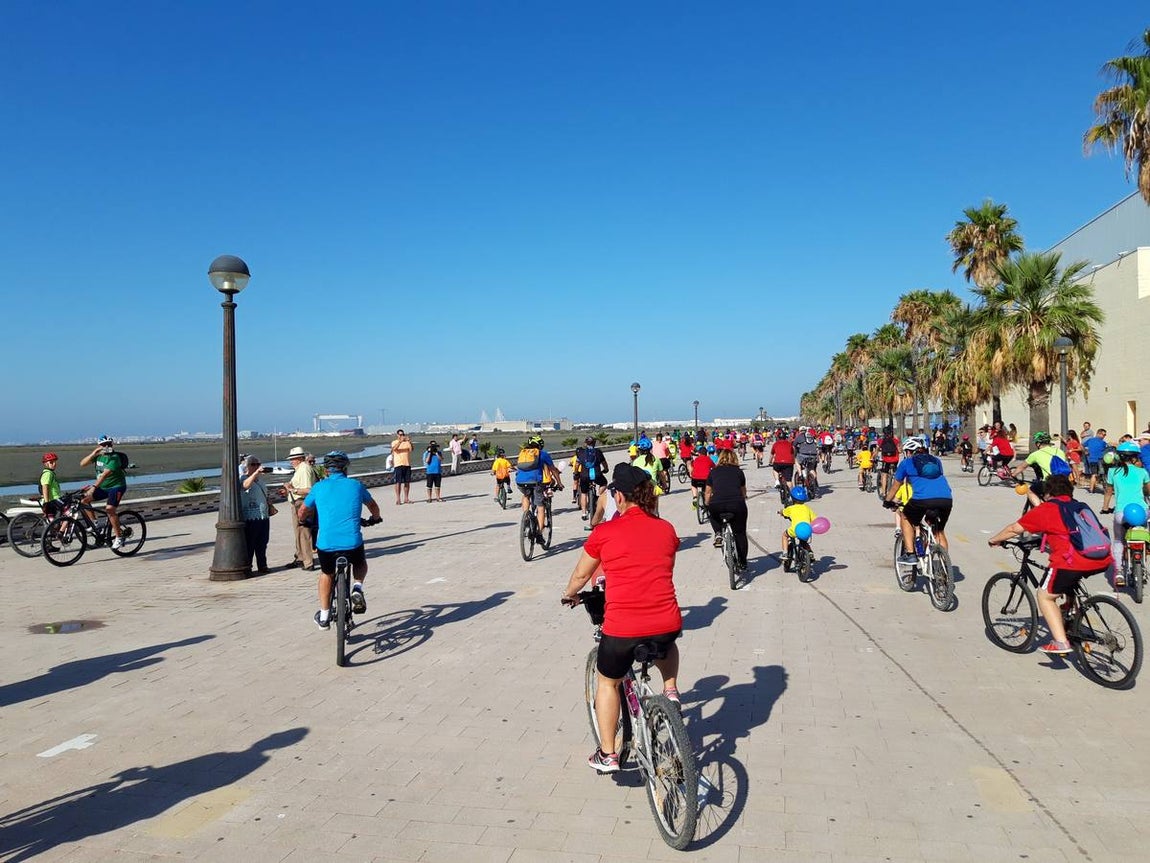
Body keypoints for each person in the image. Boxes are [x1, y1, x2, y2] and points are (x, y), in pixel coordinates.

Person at [561, 463, 682, 773]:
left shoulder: (606, 531)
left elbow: (581, 574)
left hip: (623, 627)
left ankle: (608, 754)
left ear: (620, 496)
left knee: (607, 682)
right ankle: (670, 689)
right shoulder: (666, 528)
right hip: (666, 621)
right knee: (665, 641)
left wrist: (570, 594)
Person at [988, 474, 1113, 654]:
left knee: (1045, 596)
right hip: (1101, 558)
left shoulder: (1048, 509)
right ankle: (1069, 611)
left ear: (1047, 493)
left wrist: (995, 540)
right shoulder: (1080, 505)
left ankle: (1061, 642)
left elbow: (1014, 529)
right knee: (1068, 581)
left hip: (1070, 562)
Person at [299, 451, 382, 630]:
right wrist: (375, 518)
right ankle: (357, 588)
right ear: (345, 468)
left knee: (326, 573)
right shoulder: (356, 485)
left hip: (326, 543)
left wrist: (303, 521)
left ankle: (324, 615)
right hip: (352, 542)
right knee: (360, 562)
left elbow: (303, 510)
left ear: (326, 470)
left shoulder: (319, 487)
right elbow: (373, 506)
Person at [884, 439, 953, 565]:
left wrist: (887, 501)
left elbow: (896, 486)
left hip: (922, 500)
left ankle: (910, 554)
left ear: (909, 451)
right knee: (938, 530)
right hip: (946, 499)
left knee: (905, 516)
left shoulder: (906, 463)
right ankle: (945, 566)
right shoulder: (936, 460)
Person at [1106, 441, 1150, 587]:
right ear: (1135, 457)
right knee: (1143, 532)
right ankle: (1144, 555)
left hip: (1121, 513)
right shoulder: (1142, 472)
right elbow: (1148, 490)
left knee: (1119, 540)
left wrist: (1105, 507)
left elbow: (1108, 492)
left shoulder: (1112, 472)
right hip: (1141, 511)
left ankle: (1118, 571)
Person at [79, 436, 128, 549]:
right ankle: (94, 523)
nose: (107, 447)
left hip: (117, 487)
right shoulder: (98, 456)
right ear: (100, 446)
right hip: (103, 487)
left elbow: (105, 474)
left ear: (112, 444)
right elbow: (82, 464)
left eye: (109, 444)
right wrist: (94, 453)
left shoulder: (114, 457)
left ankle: (119, 537)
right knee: (84, 501)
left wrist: (94, 487)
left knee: (110, 509)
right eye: (103, 445)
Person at [705, 449, 748, 570]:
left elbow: (708, 492)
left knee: (713, 515)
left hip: (717, 504)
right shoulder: (739, 472)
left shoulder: (713, 472)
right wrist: (743, 499)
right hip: (736, 504)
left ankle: (718, 532)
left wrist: (707, 505)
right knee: (740, 533)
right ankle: (743, 562)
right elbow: (743, 490)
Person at [516, 435, 563, 538]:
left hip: (519, 481)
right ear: (540, 445)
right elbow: (553, 470)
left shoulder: (523, 453)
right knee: (540, 507)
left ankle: (526, 516)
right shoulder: (542, 454)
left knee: (526, 495)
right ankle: (539, 534)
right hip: (536, 482)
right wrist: (559, 483)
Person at [283, 446, 318, 570]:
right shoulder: (301, 469)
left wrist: (293, 489)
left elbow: (309, 490)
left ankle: (308, 562)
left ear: (299, 459)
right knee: (299, 532)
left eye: (292, 459)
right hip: (298, 502)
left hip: (302, 503)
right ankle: (300, 557)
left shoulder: (304, 470)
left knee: (304, 532)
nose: (291, 462)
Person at [240, 455, 272, 573]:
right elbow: (245, 486)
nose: (256, 467)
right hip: (250, 516)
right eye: (253, 464)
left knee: (262, 542)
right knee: (250, 543)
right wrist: (254, 474)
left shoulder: (260, 481)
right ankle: (248, 566)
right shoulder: (243, 478)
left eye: (258, 464)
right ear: (247, 467)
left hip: (263, 515)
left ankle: (262, 565)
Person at [779, 485, 816, 565]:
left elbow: (784, 512)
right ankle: (809, 552)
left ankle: (785, 553)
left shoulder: (791, 508)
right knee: (804, 542)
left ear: (792, 498)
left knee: (784, 535)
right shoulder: (807, 508)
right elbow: (814, 519)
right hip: (807, 529)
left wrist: (780, 512)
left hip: (796, 529)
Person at [578, 437, 609, 521]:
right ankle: (599, 497)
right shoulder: (598, 452)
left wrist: (577, 473)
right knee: (604, 483)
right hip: (597, 474)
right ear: (594, 443)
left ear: (585, 443)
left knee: (584, 493)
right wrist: (606, 469)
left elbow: (577, 464)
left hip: (584, 475)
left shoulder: (580, 452)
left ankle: (584, 513)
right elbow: (604, 463)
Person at [38, 453, 66, 518]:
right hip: (53, 500)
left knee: (54, 519)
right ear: (45, 464)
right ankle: (61, 528)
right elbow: (45, 488)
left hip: (54, 499)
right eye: (51, 462)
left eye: (55, 462)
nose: (54, 464)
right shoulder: (48, 474)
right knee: (69, 512)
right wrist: (47, 503)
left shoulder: (51, 473)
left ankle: (57, 527)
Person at [391, 429, 414, 504]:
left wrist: (409, 441)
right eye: (400, 434)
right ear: (397, 435)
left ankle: (406, 498)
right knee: (398, 482)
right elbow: (394, 449)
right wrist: (400, 441)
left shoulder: (407, 442)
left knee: (407, 482)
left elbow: (411, 449)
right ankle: (398, 499)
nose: (402, 436)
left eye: (403, 434)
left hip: (407, 464)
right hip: (398, 464)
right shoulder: (394, 442)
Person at [876, 426, 901, 496]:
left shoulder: (880, 441)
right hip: (895, 460)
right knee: (896, 473)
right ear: (890, 433)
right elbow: (900, 451)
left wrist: (873, 457)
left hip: (886, 460)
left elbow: (877, 450)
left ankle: (884, 493)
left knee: (884, 475)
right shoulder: (895, 440)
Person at [1082, 428, 1108, 494]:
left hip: (1092, 459)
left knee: (1093, 474)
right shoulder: (1103, 442)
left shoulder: (1090, 440)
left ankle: (1091, 489)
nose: (1104, 436)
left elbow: (1082, 445)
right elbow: (1107, 449)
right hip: (1100, 460)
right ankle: (1105, 490)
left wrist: (1085, 451)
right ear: (1099, 433)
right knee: (1103, 474)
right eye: (1103, 435)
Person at [690, 444, 714, 508]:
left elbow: (692, 468)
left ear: (699, 453)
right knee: (707, 489)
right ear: (706, 453)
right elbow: (714, 467)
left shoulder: (696, 460)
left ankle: (695, 497)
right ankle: (707, 503)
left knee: (693, 485)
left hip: (695, 478)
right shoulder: (708, 459)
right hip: (706, 479)